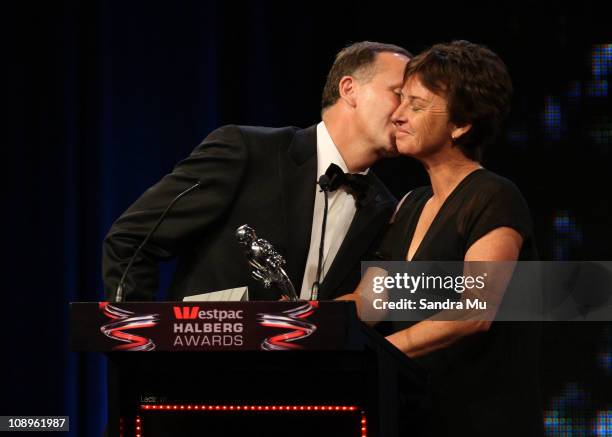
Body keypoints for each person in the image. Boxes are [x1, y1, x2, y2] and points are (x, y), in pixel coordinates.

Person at [339, 40, 544, 436]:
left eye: (416, 105)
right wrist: (305, 318)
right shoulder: (410, 205)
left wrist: (382, 354)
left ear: (461, 124)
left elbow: (474, 311)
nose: (397, 115)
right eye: (401, 101)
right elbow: (371, 301)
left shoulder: (493, 196)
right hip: (420, 421)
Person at [102, 41, 412, 302]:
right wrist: (142, 350)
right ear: (349, 89)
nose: (407, 111)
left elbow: (426, 302)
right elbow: (132, 240)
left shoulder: (385, 209)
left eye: (416, 102)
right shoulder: (248, 151)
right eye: (399, 93)